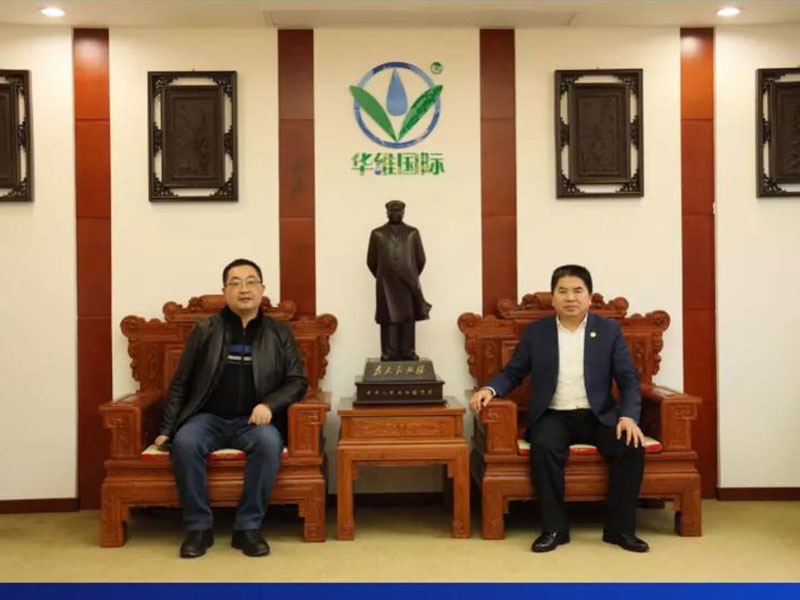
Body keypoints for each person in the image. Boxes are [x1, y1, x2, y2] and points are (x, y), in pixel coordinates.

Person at [469, 265, 649, 553]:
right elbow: (513, 372)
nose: (570, 298)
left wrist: (628, 416)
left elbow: (628, 378)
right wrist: (489, 389)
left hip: (599, 415)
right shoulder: (536, 332)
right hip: (553, 415)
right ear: (553, 298)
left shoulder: (608, 331)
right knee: (543, 447)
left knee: (630, 446)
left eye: (577, 291)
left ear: (589, 297)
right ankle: (554, 529)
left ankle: (621, 530)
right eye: (562, 291)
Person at [153, 258, 307, 558]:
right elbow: (181, 382)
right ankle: (198, 528)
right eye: (235, 283)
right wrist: (167, 430)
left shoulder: (279, 333)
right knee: (185, 442)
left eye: (251, 282)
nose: (244, 289)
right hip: (207, 418)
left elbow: (297, 381)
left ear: (262, 289)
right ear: (224, 291)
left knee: (268, 443)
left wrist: (269, 404)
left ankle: (248, 528)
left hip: (254, 423)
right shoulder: (205, 329)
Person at [367, 200, 432, 361]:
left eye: (398, 211)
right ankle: (388, 352)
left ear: (403, 213)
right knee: (387, 318)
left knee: (408, 317)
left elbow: (421, 259)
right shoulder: (377, 233)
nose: (395, 214)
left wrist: (411, 273)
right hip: (386, 283)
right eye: (392, 211)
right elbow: (371, 261)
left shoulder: (412, 233)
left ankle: (408, 351)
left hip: (408, 282)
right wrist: (384, 275)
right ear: (387, 213)